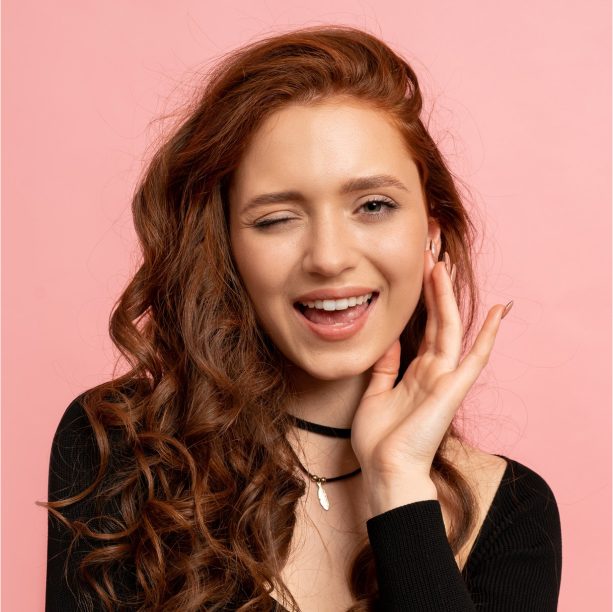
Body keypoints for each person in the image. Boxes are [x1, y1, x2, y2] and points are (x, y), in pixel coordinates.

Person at [43, 25, 562, 611]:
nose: (330, 259)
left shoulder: (511, 510)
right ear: (225, 245)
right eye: (276, 218)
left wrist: (398, 486)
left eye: (373, 206)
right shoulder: (120, 447)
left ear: (431, 233)